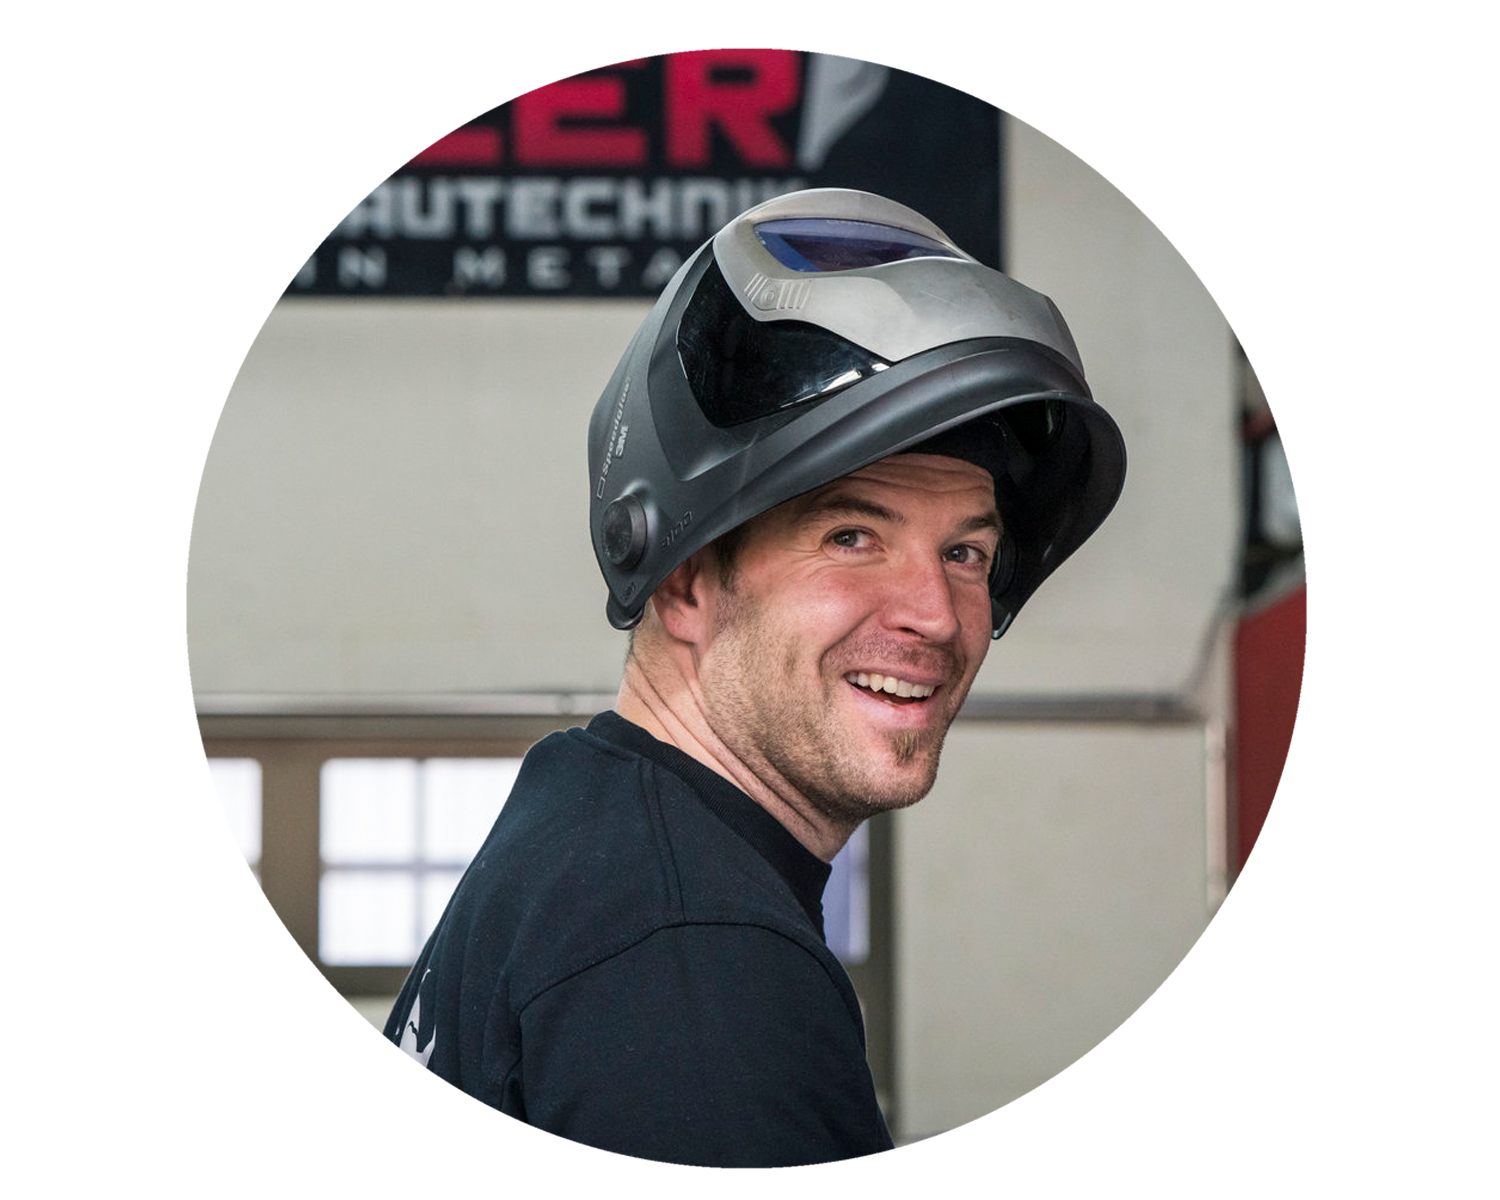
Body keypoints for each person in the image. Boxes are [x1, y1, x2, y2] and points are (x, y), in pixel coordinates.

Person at [349, 188, 1126, 1168]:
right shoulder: (692, 948)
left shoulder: (590, 845)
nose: (935, 613)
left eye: (965, 553)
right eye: (852, 537)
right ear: (684, 580)